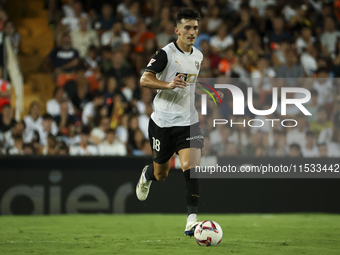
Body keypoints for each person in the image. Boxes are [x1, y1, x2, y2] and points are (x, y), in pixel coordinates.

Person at [135, 9, 223, 237]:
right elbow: (144, 79)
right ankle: (147, 176)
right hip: (162, 123)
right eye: (187, 27)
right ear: (177, 30)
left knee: (191, 169)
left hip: (188, 122)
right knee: (161, 175)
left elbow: (190, 85)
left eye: (195, 27)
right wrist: (168, 85)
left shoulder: (198, 56)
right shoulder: (165, 53)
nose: (192, 32)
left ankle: (192, 220)